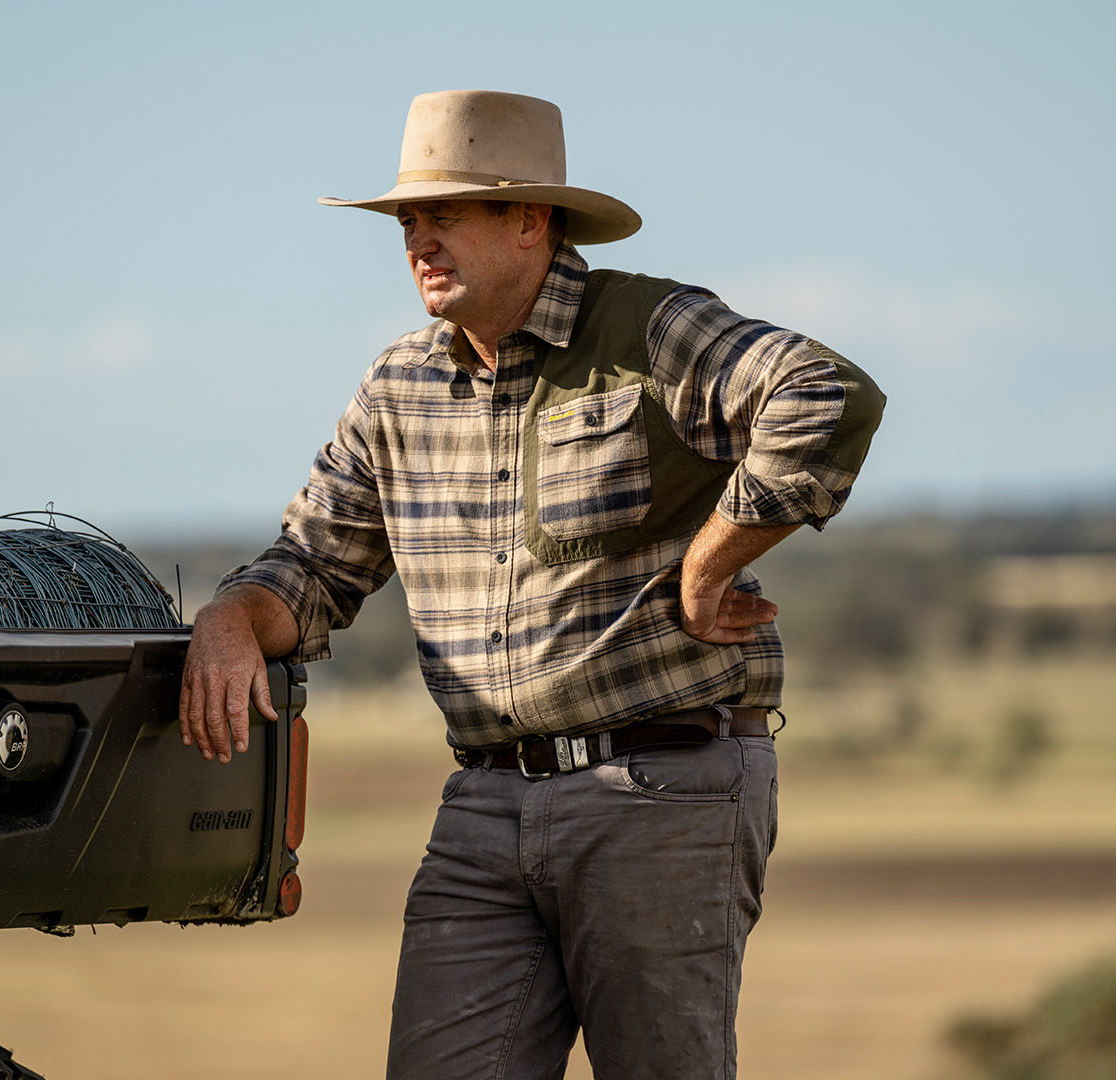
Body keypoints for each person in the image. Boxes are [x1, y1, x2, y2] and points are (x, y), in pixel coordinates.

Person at [179, 90, 884, 1080]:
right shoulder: (397, 389)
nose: (419, 239)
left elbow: (827, 394)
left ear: (528, 219)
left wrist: (710, 561)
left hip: (662, 788)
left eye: (445, 213)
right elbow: (311, 566)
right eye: (408, 220)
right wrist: (229, 617)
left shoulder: (648, 327)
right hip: (484, 803)